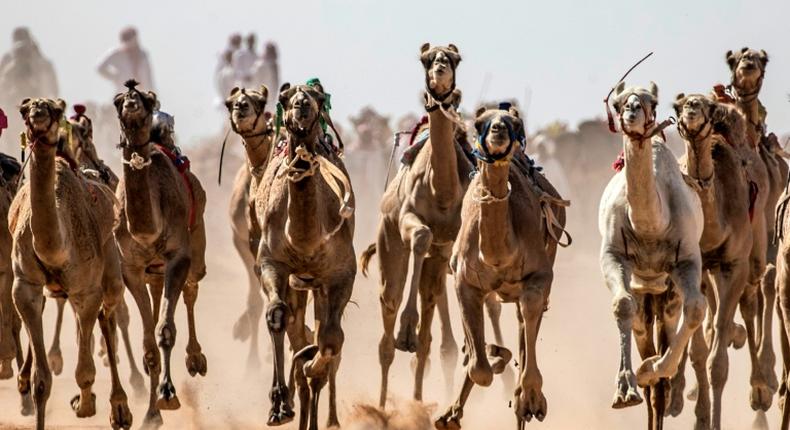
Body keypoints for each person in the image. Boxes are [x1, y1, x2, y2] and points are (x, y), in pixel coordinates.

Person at [97, 27, 155, 93]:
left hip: (142, 93)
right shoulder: (117, 53)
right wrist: (115, 77)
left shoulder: (143, 55)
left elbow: (148, 77)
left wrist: (152, 92)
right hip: (123, 92)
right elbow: (100, 68)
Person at [252, 42, 279, 112]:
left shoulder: (274, 65)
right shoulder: (260, 65)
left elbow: (276, 83)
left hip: (272, 97)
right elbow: (256, 82)